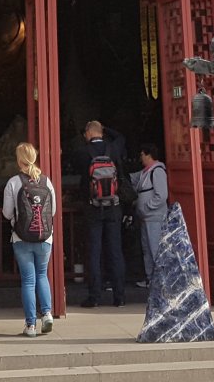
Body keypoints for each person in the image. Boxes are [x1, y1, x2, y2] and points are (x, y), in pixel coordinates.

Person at [1, 142, 56, 337]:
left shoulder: (14, 183)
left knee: (28, 280)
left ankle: (31, 325)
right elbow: (53, 211)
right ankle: (47, 313)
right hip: (45, 238)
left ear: (18, 160)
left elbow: (7, 214)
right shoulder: (46, 182)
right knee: (42, 275)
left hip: (21, 237)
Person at [79, 120, 126, 307]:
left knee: (94, 252)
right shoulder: (113, 149)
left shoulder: (82, 152)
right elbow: (122, 137)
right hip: (113, 207)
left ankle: (95, 297)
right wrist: (107, 129)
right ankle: (119, 296)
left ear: (88, 133)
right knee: (115, 252)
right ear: (101, 132)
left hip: (92, 208)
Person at [131, 142, 169, 290]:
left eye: (142, 154)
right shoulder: (145, 172)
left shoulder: (157, 171)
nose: (140, 158)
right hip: (146, 217)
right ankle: (150, 279)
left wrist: (146, 207)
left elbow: (161, 195)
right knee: (147, 249)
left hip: (154, 217)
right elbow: (132, 179)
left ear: (148, 155)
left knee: (155, 249)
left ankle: (160, 281)